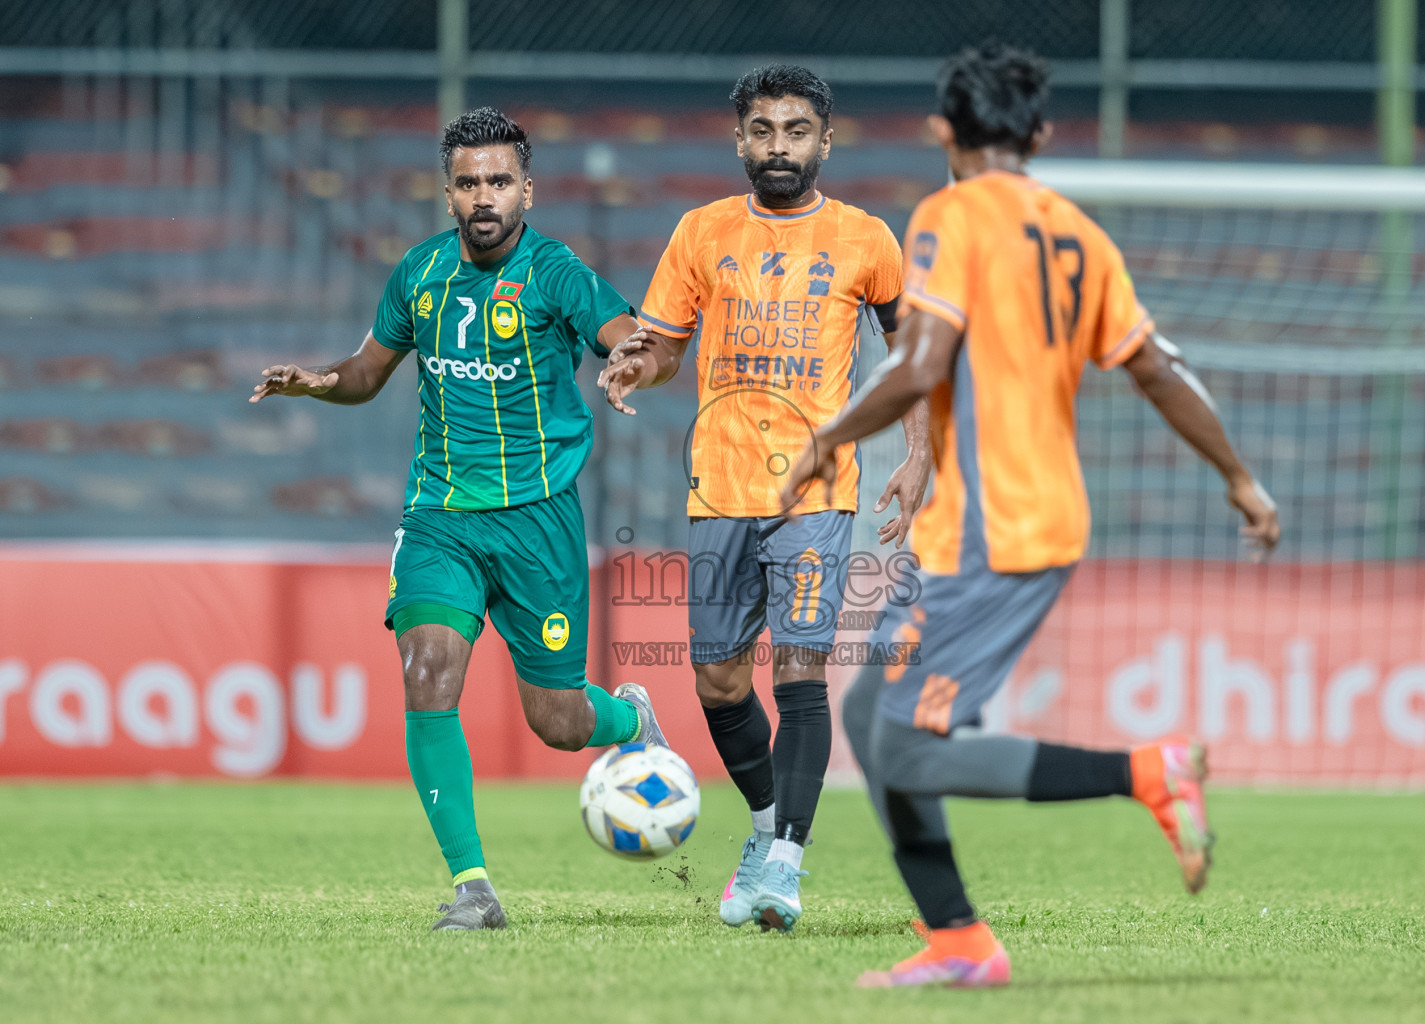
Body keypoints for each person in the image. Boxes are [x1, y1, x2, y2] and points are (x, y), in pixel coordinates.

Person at [780, 43, 1281, 987]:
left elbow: (921, 360)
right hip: (1023, 525)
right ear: (1041, 134)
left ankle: (1146, 773)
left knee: (908, 751)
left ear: (942, 131)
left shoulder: (951, 215)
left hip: (990, 537)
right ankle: (960, 943)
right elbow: (1156, 366)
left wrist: (825, 439)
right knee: (870, 717)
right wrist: (1240, 478)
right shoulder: (1078, 233)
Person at [251, 107, 667, 932]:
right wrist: (317, 381)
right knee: (426, 672)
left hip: (537, 521)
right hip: (440, 517)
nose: (485, 197)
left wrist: (631, 356)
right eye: (469, 183)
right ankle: (474, 888)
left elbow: (627, 332)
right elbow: (369, 371)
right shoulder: (420, 273)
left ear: (528, 191)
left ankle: (629, 719)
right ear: (448, 194)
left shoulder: (557, 274)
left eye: (500, 182)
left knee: (556, 723)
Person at [598, 64, 929, 932]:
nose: (778, 146)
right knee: (715, 681)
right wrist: (638, 362)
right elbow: (665, 344)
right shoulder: (701, 232)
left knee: (800, 669)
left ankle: (785, 861)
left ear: (826, 139)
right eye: (762, 131)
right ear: (738, 139)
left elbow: (912, 355)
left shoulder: (866, 240)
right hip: (719, 486)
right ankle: (761, 826)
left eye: (795, 131)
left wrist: (919, 453)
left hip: (817, 490)